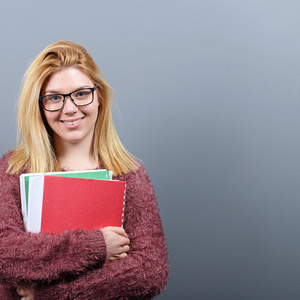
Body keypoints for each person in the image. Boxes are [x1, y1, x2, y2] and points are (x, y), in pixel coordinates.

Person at [0, 41, 169, 299]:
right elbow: (5, 253)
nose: (70, 108)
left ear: (99, 96)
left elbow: (150, 270)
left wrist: (50, 295)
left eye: (81, 94)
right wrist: (97, 247)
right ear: (40, 107)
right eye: (55, 98)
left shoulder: (128, 174)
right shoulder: (12, 170)